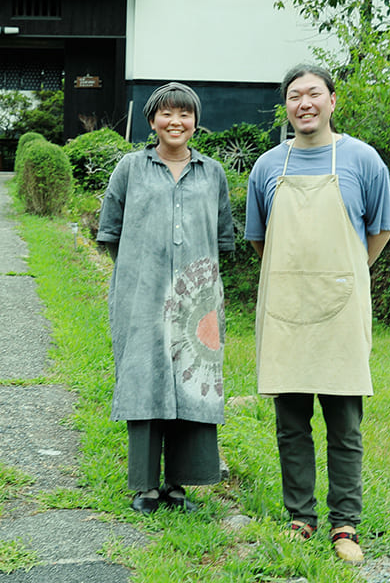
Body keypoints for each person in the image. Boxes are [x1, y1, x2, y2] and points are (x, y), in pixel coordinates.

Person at [244, 64, 390, 564]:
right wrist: (297, 280)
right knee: (291, 422)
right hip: (285, 308)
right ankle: (300, 518)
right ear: (285, 107)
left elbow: (380, 230)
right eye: (293, 96)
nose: (303, 103)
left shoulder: (362, 160)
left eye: (313, 94)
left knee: (344, 423)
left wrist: (345, 275)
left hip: (341, 308)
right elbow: (261, 240)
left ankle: (345, 524)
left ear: (333, 100)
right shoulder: (267, 166)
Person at [97, 82, 235, 514]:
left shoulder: (212, 173)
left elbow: (222, 236)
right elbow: (111, 231)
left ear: (195, 122)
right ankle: (145, 485)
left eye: (185, 115)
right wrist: (145, 270)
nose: (176, 122)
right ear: (152, 121)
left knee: (192, 378)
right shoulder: (130, 168)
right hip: (142, 293)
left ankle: (180, 484)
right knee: (146, 375)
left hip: (198, 297)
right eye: (167, 114)